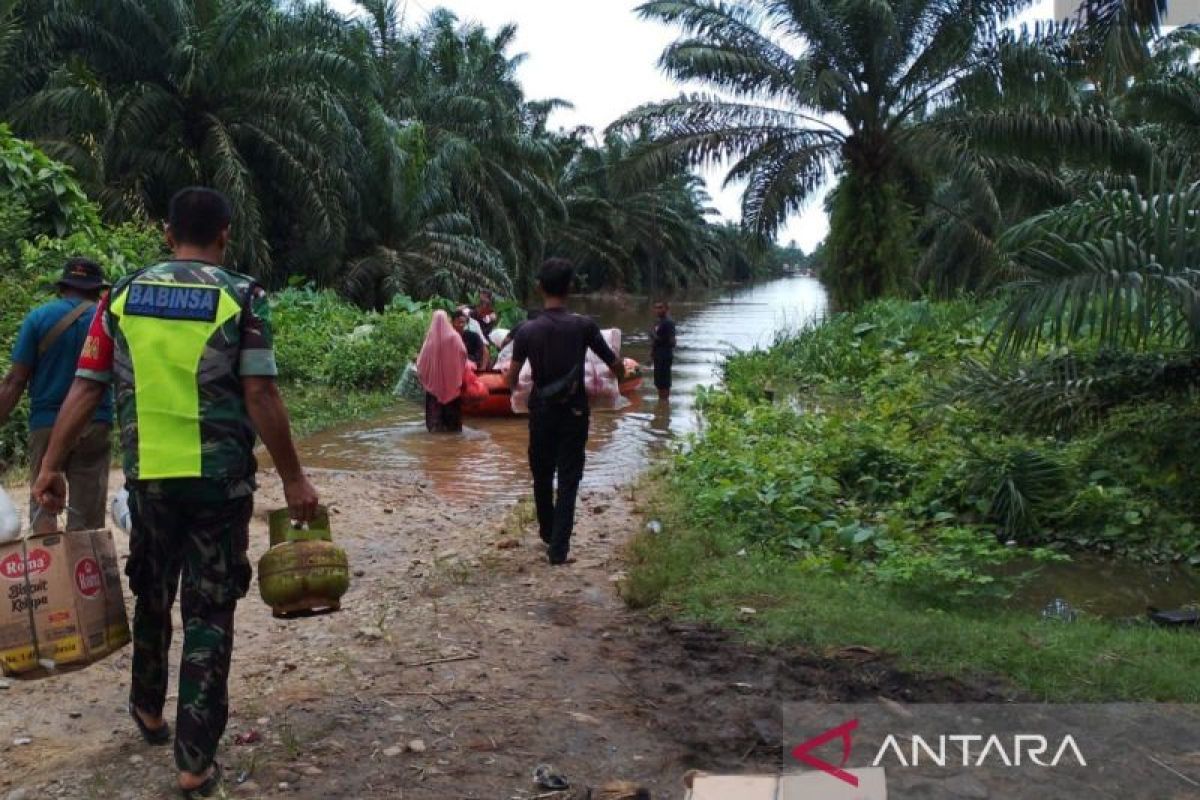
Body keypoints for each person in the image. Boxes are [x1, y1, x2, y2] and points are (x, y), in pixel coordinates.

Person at [33, 187, 319, 799]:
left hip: (151, 481)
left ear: (167, 234)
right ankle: (193, 760)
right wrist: (295, 476)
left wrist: (51, 464)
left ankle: (148, 709)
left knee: (153, 591)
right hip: (219, 484)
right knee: (209, 611)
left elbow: (86, 389)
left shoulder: (122, 296)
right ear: (225, 235)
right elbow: (262, 394)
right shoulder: (242, 295)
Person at [505, 259, 625, 566]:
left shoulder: (527, 331)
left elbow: (512, 378)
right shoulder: (584, 326)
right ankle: (558, 549)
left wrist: (513, 385)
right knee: (569, 478)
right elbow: (613, 364)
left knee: (541, 475)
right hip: (574, 414)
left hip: (541, 414)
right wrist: (620, 376)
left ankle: (547, 532)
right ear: (570, 287)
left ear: (539, 287)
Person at [0, 258, 113, 532]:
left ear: (63, 288)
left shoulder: (38, 318)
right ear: (98, 290)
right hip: (95, 422)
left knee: (44, 506)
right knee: (87, 519)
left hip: (47, 424)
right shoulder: (108, 321)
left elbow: (15, 380)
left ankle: (48, 570)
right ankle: (82, 570)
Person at [417, 310, 468, 433]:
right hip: (452, 386)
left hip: (433, 389)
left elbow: (421, 362)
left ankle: (436, 442)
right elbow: (463, 353)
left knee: (435, 426)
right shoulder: (454, 337)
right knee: (453, 427)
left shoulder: (429, 339)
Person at [650, 300, 677, 402]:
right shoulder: (658, 322)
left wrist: (656, 337)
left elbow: (673, 342)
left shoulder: (669, 322)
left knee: (664, 382)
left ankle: (664, 403)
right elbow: (655, 341)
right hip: (658, 355)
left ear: (666, 309)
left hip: (665, 355)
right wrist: (652, 355)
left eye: (660, 307)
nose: (658, 310)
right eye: (656, 307)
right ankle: (661, 403)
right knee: (658, 382)